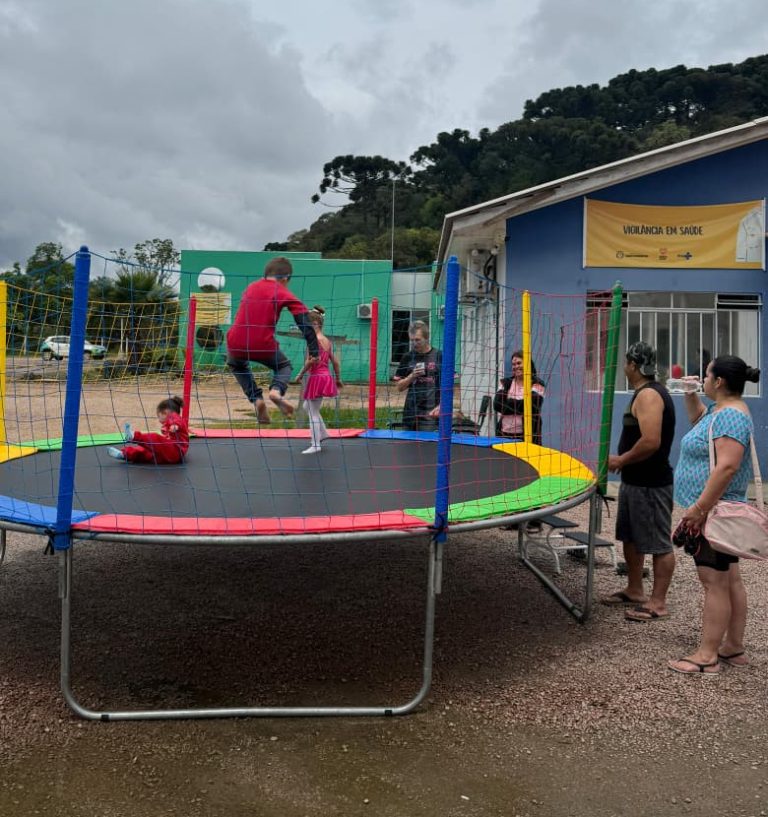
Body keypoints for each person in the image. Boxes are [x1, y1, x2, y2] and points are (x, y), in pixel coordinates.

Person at [668, 355, 760, 675]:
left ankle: (707, 654)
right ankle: (732, 647)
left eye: (706, 376)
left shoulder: (731, 416)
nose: (704, 379)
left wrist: (698, 510)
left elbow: (727, 467)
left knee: (714, 582)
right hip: (713, 509)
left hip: (713, 512)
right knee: (729, 579)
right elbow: (698, 422)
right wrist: (690, 391)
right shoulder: (720, 410)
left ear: (719, 381)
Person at [602, 342, 676, 621]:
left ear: (633, 365)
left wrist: (621, 460)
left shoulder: (649, 395)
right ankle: (635, 589)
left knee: (658, 543)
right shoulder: (644, 393)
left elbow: (651, 441)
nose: (624, 368)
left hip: (652, 483)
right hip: (635, 481)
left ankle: (657, 603)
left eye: (626, 363)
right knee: (631, 538)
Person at [226, 257, 319, 424]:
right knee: (284, 366)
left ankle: (256, 399)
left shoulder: (251, 287)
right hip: (263, 343)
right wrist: (314, 351)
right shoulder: (282, 291)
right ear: (285, 278)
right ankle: (276, 391)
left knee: (236, 364)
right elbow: (304, 323)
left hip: (235, 341)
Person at [292, 306, 344, 455]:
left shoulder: (314, 340)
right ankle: (324, 433)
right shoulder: (327, 340)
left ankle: (316, 444)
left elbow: (311, 361)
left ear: (315, 324)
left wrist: (300, 374)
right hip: (325, 375)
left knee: (312, 412)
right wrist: (338, 378)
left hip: (317, 377)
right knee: (307, 406)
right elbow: (335, 362)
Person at [108, 396, 190, 464]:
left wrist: (175, 426)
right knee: (145, 451)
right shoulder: (168, 424)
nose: (159, 419)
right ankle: (123, 454)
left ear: (164, 412)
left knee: (155, 437)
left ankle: (133, 436)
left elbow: (176, 420)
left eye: (159, 416)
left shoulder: (175, 419)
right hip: (165, 456)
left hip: (176, 451)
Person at [393, 321, 442, 431]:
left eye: (418, 340)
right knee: (408, 447)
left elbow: (449, 386)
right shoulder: (408, 357)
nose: (414, 343)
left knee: (426, 446)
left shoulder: (439, 356)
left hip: (431, 413)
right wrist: (412, 375)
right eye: (412, 340)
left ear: (427, 337)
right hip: (411, 413)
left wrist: (442, 404)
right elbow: (399, 387)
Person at [493, 351, 546, 445]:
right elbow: (497, 405)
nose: (516, 366)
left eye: (519, 363)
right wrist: (522, 404)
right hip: (504, 435)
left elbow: (532, 407)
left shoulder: (537, 383)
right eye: (513, 364)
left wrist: (508, 402)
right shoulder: (505, 383)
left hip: (528, 436)